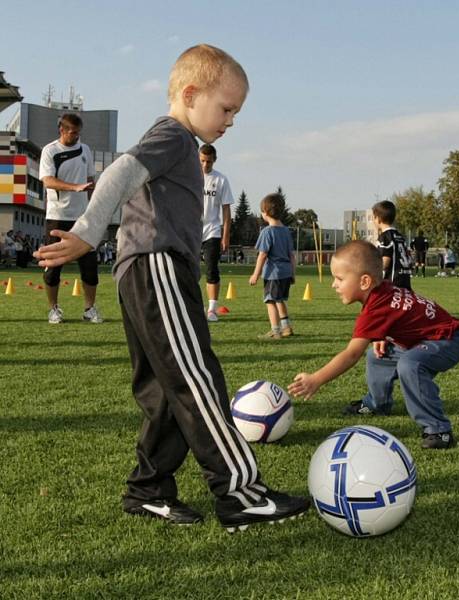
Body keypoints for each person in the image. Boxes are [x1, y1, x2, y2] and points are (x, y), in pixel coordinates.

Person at [34, 44, 309, 529]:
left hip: (142, 271)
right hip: (157, 266)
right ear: (190, 94)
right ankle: (240, 494)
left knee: (163, 390)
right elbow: (119, 171)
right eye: (226, 108)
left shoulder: (176, 141)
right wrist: (87, 231)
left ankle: (149, 489)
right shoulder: (174, 136)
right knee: (197, 380)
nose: (230, 121)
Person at [288, 240, 459, 450]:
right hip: (429, 338)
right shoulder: (382, 290)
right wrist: (381, 336)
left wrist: (316, 379)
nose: (333, 284)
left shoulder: (375, 308)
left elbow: (351, 354)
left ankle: (439, 430)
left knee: (410, 365)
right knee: (378, 356)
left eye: (339, 278)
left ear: (364, 282)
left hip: (448, 341)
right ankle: (377, 403)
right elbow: (398, 315)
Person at [39, 113, 102, 324]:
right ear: (62, 130)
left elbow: (90, 179)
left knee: (90, 267)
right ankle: (53, 309)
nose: (77, 137)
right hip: (57, 217)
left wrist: (92, 206)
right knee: (53, 267)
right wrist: (75, 187)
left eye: (79, 133)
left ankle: (89, 309)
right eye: (73, 133)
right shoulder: (50, 151)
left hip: (82, 218)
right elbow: (48, 181)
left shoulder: (85, 149)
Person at [248, 192, 295, 339]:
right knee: (279, 299)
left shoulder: (267, 232)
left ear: (265, 213)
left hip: (273, 273)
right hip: (286, 272)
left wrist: (255, 274)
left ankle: (275, 331)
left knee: (270, 300)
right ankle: (286, 327)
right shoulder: (286, 231)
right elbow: (292, 255)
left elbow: (262, 255)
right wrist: (293, 274)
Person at [199, 143, 234, 322]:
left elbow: (226, 210)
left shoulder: (221, 180)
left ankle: (212, 309)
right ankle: (193, 306)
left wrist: (225, 234)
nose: (205, 165)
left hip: (212, 231)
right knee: (187, 270)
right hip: (190, 230)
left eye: (209, 162)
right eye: (203, 161)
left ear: (215, 160)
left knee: (212, 269)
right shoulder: (189, 176)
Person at [372, 200, 413, 290]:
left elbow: (385, 261)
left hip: (392, 282)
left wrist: (373, 274)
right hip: (405, 280)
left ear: (378, 219)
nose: (373, 221)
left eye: (373, 218)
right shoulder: (400, 236)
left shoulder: (385, 237)